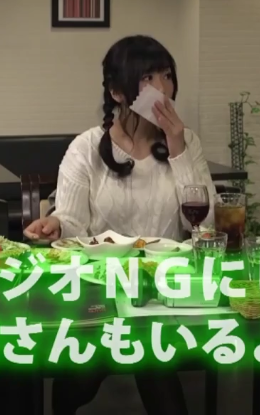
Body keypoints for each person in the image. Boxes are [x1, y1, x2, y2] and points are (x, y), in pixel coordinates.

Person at [24, 35, 216, 415]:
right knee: (88, 372)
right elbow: (72, 222)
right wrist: (56, 225)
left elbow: (206, 228)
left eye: (167, 75)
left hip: (166, 291)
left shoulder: (187, 142)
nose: (163, 89)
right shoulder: (85, 148)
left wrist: (177, 148)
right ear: (117, 92)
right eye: (148, 78)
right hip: (101, 290)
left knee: (148, 343)